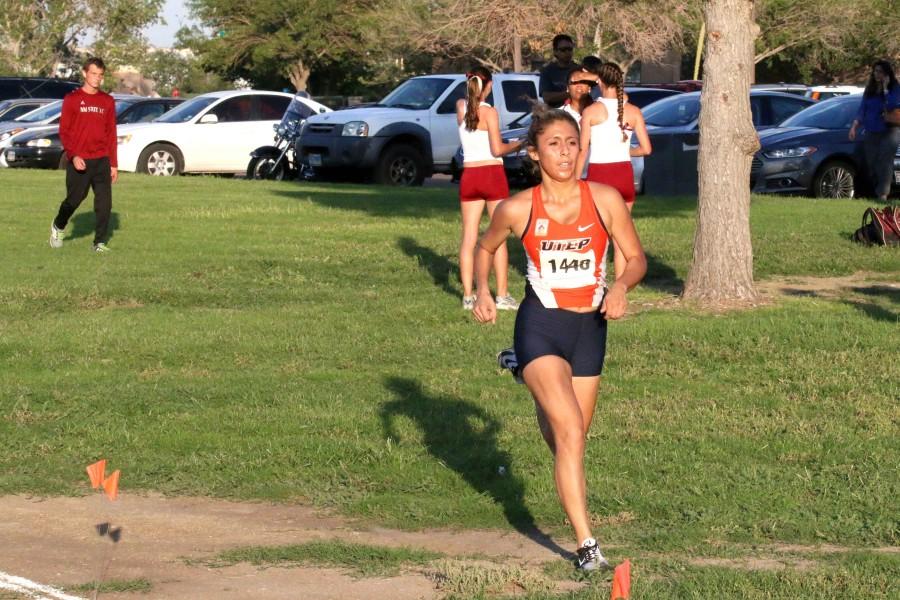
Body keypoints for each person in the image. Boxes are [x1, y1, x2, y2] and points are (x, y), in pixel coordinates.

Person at [472, 106, 647, 570]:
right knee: (569, 431)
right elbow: (485, 246)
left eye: (572, 143)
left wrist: (622, 286)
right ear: (534, 152)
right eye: (554, 144)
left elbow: (635, 258)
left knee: (571, 438)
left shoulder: (605, 199)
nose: (565, 153)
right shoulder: (517, 207)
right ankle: (587, 546)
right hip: (541, 325)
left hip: (589, 330)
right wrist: (483, 293)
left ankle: (523, 374)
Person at [456, 66, 524, 310]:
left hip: (470, 174)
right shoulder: (490, 112)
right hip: (491, 174)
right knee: (499, 236)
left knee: (469, 237)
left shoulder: (460, 107)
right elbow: (497, 149)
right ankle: (502, 295)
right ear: (488, 86)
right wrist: (517, 145)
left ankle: (467, 295)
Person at [576, 62, 651, 279]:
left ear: (599, 82)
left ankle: (595, 281)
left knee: (597, 232)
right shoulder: (634, 111)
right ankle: (620, 287)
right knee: (621, 237)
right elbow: (646, 148)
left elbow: (583, 151)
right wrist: (626, 151)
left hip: (600, 175)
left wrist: (574, 180)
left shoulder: (591, 111)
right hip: (624, 174)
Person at [50, 57, 118, 252]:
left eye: (100, 75)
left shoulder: (107, 101)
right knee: (74, 199)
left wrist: (113, 163)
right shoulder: (72, 99)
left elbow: (111, 134)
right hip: (79, 160)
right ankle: (58, 225)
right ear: (85, 73)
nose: (97, 78)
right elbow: (64, 131)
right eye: (93, 74)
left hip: (102, 159)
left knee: (105, 204)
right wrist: (74, 155)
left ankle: (99, 243)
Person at [849, 60, 900, 202]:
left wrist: (885, 89)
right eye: (876, 71)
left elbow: (892, 105)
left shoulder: (894, 88)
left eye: (880, 72)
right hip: (871, 130)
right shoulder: (869, 90)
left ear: (887, 74)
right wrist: (854, 126)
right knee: (872, 162)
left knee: (885, 161)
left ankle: (883, 194)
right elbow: (862, 109)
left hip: (890, 130)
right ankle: (878, 190)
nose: (877, 74)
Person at [539, 35, 578, 108]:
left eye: (570, 49)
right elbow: (547, 97)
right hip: (556, 115)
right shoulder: (547, 71)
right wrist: (571, 93)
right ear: (555, 52)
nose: (567, 52)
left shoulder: (578, 70)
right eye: (563, 49)